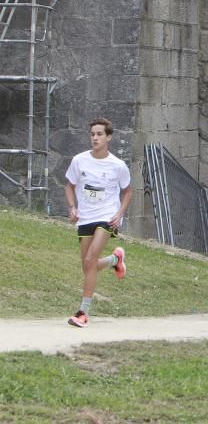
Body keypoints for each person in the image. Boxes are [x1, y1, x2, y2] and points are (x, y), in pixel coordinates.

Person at [65, 118, 132, 328]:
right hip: (85, 217)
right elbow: (69, 185)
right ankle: (114, 260)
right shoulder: (79, 160)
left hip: (106, 216)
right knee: (88, 265)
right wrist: (72, 207)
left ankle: (83, 312)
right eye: (92, 134)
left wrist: (119, 213)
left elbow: (128, 190)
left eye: (99, 134)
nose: (95, 138)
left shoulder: (118, 165)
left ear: (109, 137)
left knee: (91, 258)